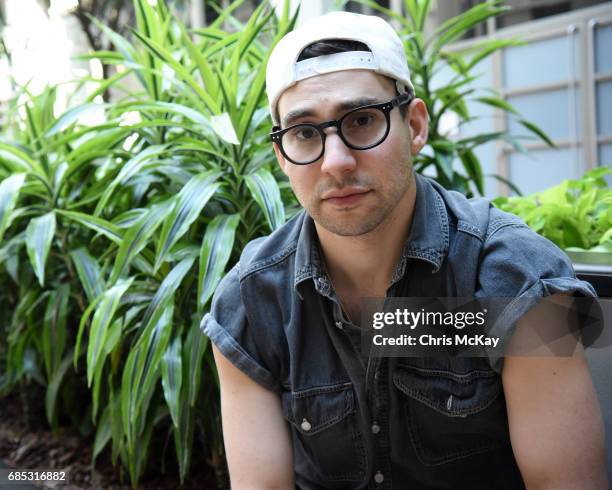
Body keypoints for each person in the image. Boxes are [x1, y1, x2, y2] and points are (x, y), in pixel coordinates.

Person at [201, 11, 608, 489]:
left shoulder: (519, 281)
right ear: (281, 156)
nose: (336, 162)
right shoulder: (250, 305)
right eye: (305, 133)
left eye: (363, 120)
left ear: (414, 126)